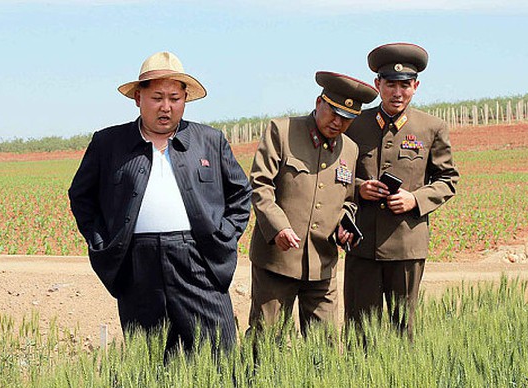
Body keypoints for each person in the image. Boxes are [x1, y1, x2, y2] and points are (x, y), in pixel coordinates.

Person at [68, 52, 252, 356]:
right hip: (137, 264)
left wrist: (224, 236)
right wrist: (102, 242)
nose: (166, 107)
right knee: (149, 357)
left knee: (217, 352)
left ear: (184, 100)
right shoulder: (108, 144)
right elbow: (81, 197)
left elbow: (241, 194)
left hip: (198, 259)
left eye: (174, 98)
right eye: (157, 97)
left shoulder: (209, 140)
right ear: (138, 98)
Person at [247, 71, 378, 337]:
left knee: (325, 347)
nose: (338, 123)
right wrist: (278, 227)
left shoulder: (350, 149)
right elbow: (261, 185)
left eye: (348, 119)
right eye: (334, 113)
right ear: (319, 102)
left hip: (323, 263)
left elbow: (349, 201)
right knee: (265, 342)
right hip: (277, 260)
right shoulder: (282, 132)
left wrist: (345, 224)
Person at [343, 43, 459, 339]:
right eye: (390, 84)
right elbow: (335, 174)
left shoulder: (431, 127)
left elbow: (447, 179)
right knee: (360, 333)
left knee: (402, 332)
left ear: (416, 86)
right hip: (362, 244)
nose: (397, 93)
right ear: (377, 84)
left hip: (407, 246)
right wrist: (359, 188)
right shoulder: (356, 125)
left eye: (405, 85)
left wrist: (414, 199)